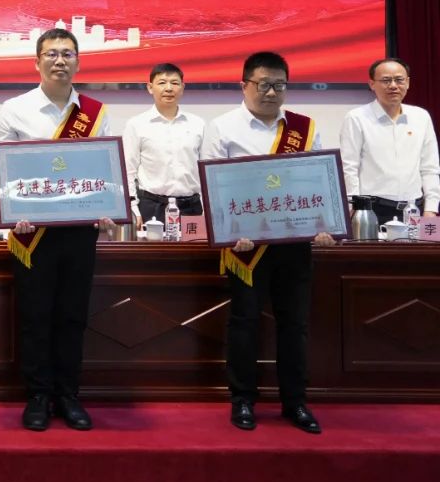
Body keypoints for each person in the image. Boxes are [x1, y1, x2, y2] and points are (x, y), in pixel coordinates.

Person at [201, 51, 336, 434]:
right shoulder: (223, 127)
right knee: (244, 322)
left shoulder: (304, 128)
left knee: (295, 324)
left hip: (294, 242)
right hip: (246, 246)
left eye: (279, 85)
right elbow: (211, 185)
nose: (272, 92)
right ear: (244, 85)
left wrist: (323, 224)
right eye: (264, 84)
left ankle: (295, 402)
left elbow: (316, 181)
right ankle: (243, 399)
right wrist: (229, 232)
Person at [0, 28, 113, 432]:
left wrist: (109, 206)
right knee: (36, 315)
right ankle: (38, 395)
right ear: (37, 61)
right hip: (33, 233)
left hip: (79, 229)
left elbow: (104, 168)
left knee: (73, 315)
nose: (60, 60)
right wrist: (10, 211)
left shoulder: (96, 112)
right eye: (51, 53)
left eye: (67, 53)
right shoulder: (15, 109)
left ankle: (68, 394)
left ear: (78, 61)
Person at [339, 58, 439, 224]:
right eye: (386, 80)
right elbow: (349, 168)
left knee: (426, 242)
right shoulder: (356, 118)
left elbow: (430, 167)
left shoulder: (421, 116)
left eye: (399, 80)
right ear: (372, 84)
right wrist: (353, 207)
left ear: (408, 83)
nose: (393, 85)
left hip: (417, 210)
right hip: (373, 210)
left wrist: (431, 209)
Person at [121, 62, 206, 223]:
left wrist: (207, 209)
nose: (168, 88)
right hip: (151, 207)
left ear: (182, 88)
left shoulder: (198, 124)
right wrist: (133, 208)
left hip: (191, 208)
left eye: (174, 83)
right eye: (162, 83)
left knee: (194, 242)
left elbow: (205, 171)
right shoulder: (136, 124)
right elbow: (127, 171)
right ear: (150, 87)